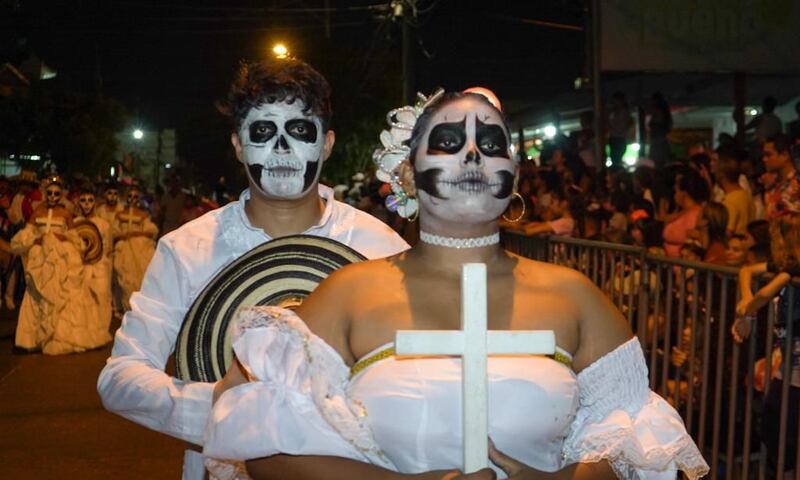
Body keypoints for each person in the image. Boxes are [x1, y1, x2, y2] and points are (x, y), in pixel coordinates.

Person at [205, 91, 707, 479]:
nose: (472, 156)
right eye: (448, 142)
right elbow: (264, 445)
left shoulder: (574, 296)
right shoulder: (349, 294)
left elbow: (634, 437)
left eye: (491, 145)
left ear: (514, 175)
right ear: (408, 172)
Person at [97, 57, 409, 480]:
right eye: (263, 132)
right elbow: (119, 378)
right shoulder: (186, 250)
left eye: (299, 131)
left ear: (327, 143)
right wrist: (221, 402)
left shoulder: (381, 248)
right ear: (239, 145)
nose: (281, 148)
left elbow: (420, 371)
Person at [733, 211, 800, 478]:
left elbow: (766, 292)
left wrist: (746, 311)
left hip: (797, 359)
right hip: (789, 358)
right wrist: (746, 301)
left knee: (781, 422)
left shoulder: (795, 268)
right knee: (774, 419)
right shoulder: (784, 265)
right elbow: (746, 270)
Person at [10, 176, 92, 354]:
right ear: (45, 193)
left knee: (59, 294)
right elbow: (26, 234)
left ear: (60, 195)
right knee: (35, 295)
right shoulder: (38, 211)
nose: (53, 197)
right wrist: (35, 239)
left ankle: (55, 337)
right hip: (40, 259)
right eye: (50, 193)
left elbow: (75, 238)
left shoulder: (65, 213)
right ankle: (32, 339)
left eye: (56, 194)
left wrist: (64, 237)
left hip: (59, 259)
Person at [74, 184, 114, 349]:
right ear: (78, 203)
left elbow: (108, 247)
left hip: (100, 265)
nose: (86, 204)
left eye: (90, 200)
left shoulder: (103, 224)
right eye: (83, 200)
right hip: (80, 266)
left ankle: (102, 331)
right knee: (82, 298)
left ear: (95, 203)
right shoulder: (75, 223)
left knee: (102, 296)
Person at [112, 184, 158, 312]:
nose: (132, 199)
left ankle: (135, 307)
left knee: (138, 277)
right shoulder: (120, 214)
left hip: (139, 250)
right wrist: (122, 235)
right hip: (123, 249)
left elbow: (151, 231)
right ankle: (124, 306)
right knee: (124, 277)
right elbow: (114, 231)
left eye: (135, 196)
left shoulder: (143, 214)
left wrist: (134, 233)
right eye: (130, 196)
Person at [662, 170, 709, 257]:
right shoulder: (684, 212)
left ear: (684, 193)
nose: (674, 195)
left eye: (676, 191)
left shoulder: (696, 215)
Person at [762, 134, 800, 221]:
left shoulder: (797, 184)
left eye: (768, 155)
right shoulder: (772, 185)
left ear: (784, 155)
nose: (764, 159)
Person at [607, 92, 633, 168]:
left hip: (618, 138)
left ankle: (618, 172)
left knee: (616, 160)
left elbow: (619, 127)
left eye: (615, 101)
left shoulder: (623, 112)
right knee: (615, 160)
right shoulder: (616, 113)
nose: (614, 103)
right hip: (617, 138)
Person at [646, 92, 672, 168]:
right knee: (659, 162)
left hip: (658, 141)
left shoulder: (659, 112)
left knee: (657, 162)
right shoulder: (663, 112)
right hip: (659, 140)